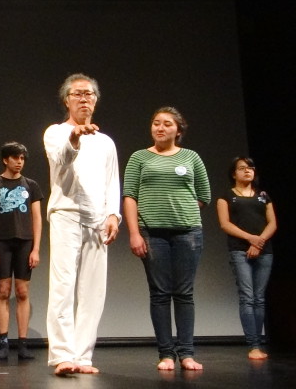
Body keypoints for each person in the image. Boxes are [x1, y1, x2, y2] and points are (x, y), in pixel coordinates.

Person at [43, 73, 121, 376]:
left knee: (93, 291)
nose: (84, 99)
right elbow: (60, 159)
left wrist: (113, 214)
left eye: (89, 94)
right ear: (67, 100)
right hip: (66, 213)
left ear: (96, 100)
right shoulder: (55, 132)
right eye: (78, 94)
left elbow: (112, 180)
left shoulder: (106, 142)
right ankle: (62, 354)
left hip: (98, 219)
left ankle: (83, 356)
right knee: (63, 286)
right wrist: (75, 137)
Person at [123, 106, 210, 371]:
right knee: (160, 294)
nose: (160, 128)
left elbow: (203, 195)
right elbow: (129, 196)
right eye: (156, 123)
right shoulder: (139, 157)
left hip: (188, 233)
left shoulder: (191, 157)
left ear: (179, 130)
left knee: (184, 293)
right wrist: (135, 232)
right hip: (152, 233)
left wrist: (181, 212)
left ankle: (187, 353)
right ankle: (166, 354)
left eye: (167, 124)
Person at [0, 142, 43, 360]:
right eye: (15, 158)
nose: (19, 162)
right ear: (5, 159)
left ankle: (23, 344)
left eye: (22, 158)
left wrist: (36, 248)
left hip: (25, 242)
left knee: (23, 292)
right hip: (2, 242)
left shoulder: (31, 185)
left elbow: (37, 218)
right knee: (4, 290)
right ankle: (4, 343)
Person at [216, 157, 277, 360]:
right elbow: (225, 224)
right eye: (242, 168)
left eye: (250, 167)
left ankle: (259, 343)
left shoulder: (263, 196)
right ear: (234, 173)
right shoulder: (226, 196)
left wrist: (259, 242)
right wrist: (251, 239)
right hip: (239, 251)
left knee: (259, 298)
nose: (247, 171)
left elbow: (272, 223)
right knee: (247, 297)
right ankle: (253, 345)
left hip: (264, 251)